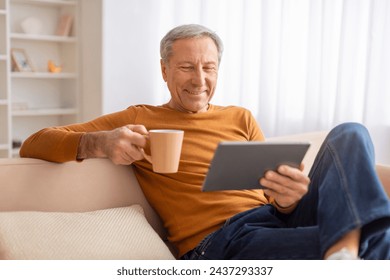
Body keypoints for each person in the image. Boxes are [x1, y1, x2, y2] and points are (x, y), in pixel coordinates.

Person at [20, 24, 390, 260]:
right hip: (219, 242)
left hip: (271, 220)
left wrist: (287, 200)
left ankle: (344, 253)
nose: (199, 79)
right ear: (164, 71)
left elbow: (272, 200)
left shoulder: (241, 117)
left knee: (351, 132)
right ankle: (349, 251)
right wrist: (99, 144)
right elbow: (34, 142)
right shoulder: (140, 117)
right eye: (186, 67)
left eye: (208, 67)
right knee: (380, 243)